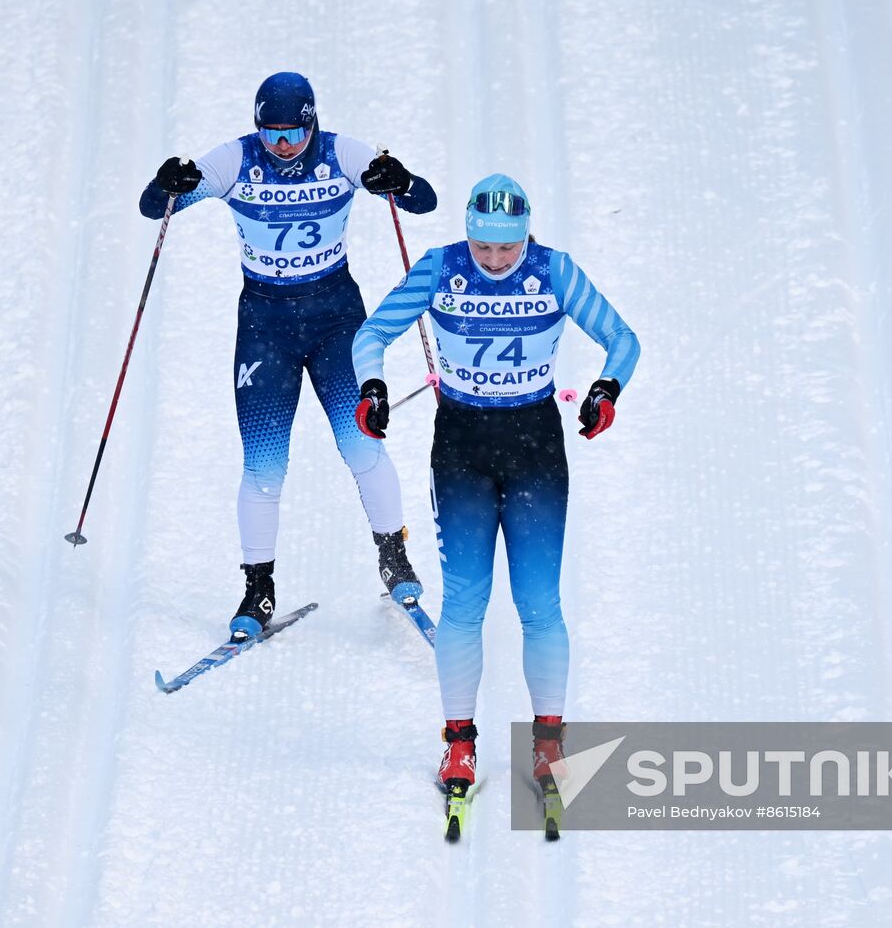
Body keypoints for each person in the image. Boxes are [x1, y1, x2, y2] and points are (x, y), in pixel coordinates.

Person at [351, 174, 640, 799]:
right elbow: (370, 334)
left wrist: (605, 390)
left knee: (539, 604)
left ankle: (549, 747)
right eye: (484, 248)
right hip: (461, 447)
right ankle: (459, 745)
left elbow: (623, 339)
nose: (495, 260)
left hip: (535, 446)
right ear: (468, 235)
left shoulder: (555, 270)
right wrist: (373, 385)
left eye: (506, 249)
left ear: (524, 236)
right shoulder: (439, 268)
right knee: (463, 603)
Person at [140, 72, 436, 642]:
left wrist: (398, 180)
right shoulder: (235, 161)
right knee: (263, 466)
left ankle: (394, 558)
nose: (280, 146)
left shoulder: (341, 153)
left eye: (291, 133)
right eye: (269, 133)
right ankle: (258, 589)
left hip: (336, 320)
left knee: (363, 446)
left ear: (311, 121)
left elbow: (422, 202)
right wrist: (166, 183)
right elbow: (158, 208)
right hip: (265, 326)